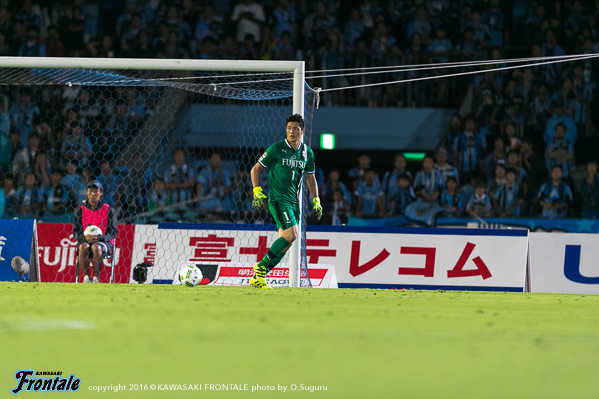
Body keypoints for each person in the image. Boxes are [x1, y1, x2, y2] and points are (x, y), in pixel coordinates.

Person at [249, 114, 321, 289]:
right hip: (278, 199)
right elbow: (255, 169)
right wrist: (257, 190)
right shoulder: (276, 148)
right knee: (292, 234)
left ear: (302, 131)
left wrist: (316, 200)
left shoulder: (307, 153)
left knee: (286, 241)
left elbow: (311, 179)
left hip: (294, 203)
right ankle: (260, 267)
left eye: (295, 128)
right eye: (288, 128)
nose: (291, 132)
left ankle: (259, 277)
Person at [73, 180, 118, 283]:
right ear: (86, 193)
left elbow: (113, 233)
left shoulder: (109, 210)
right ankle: (85, 278)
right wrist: (85, 238)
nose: (92, 194)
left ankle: (95, 278)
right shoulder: (80, 210)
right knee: (83, 246)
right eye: (90, 191)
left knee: (96, 247)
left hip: (104, 242)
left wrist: (100, 238)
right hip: (85, 241)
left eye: (95, 191)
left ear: (101, 193)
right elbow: (76, 232)